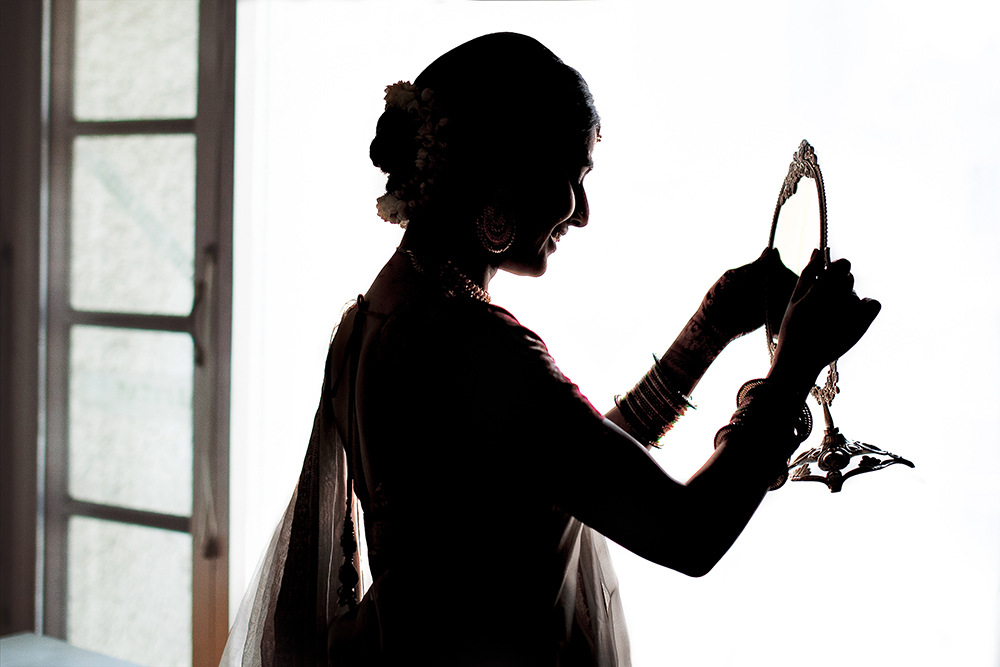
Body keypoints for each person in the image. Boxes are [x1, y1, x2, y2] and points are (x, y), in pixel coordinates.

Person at [221, 32, 880, 667]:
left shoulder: (374, 319)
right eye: (574, 173)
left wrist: (711, 325)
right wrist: (792, 371)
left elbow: (556, 480)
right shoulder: (477, 345)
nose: (582, 210)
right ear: (506, 174)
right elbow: (686, 531)